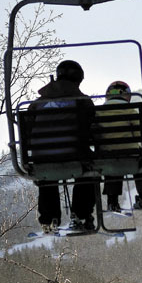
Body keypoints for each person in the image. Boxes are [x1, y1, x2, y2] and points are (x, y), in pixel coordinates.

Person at [30, 60, 96, 232]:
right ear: (78, 79)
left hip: (41, 159)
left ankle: (49, 220)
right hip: (74, 156)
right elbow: (91, 129)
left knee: (47, 172)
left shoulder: (36, 104)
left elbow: (28, 130)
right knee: (89, 171)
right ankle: (80, 216)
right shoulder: (83, 101)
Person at [96, 80, 142, 211]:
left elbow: (95, 135)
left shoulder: (99, 112)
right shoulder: (131, 110)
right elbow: (138, 133)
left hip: (107, 157)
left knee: (113, 163)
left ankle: (112, 201)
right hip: (130, 155)